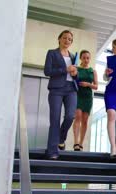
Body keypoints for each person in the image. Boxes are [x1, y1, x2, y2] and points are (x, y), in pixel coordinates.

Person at [43, 30, 78, 160]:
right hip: (56, 90)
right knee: (55, 120)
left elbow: (76, 75)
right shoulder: (52, 53)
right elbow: (47, 71)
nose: (67, 41)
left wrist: (75, 74)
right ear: (59, 39)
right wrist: (65, 69)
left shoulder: (74, 56)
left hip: (71, 89)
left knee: (70, 116)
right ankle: (52, 151)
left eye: (70, 39)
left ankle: (61, 138)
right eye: (65, 38)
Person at [72, 50, 98, 151]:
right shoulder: (77, 69)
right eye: (84, 58)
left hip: (87, 96)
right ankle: (76, 143)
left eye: (88, 58)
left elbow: (96, 86)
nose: (86, 60)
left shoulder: (93, 71)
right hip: (77, 94)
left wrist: (88, 84)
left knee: (85, 120)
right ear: (81, 58)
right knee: (77, 116)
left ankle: (81, 143)